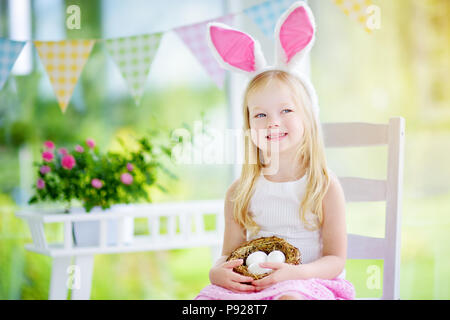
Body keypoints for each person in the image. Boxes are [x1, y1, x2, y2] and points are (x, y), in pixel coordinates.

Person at [194, 1, 355, 300]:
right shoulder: (239, 192)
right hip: (253, 287)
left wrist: (297, 274)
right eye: (260, 115)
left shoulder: (323, 186)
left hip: (309, 283)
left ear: (308, 118)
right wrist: (216, 271)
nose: (273, 123)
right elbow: (229, 256)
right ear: (248, 126)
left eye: (285, 110)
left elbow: (336, 259)